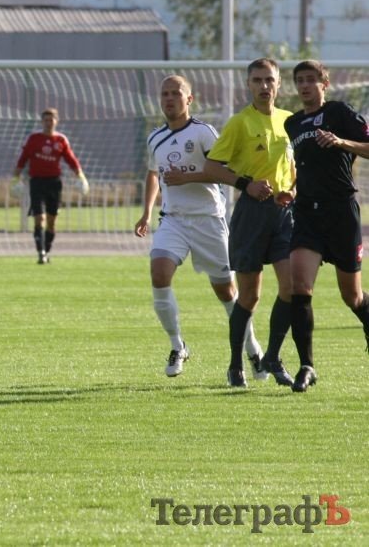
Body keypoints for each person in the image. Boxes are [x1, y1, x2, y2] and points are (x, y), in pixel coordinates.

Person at [165, 58, 295, 389]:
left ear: (279, 84)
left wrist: (293, 189)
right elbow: (212, 167)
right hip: (251, 214)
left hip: (283, 215)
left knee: (292, 288)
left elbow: (295, 166)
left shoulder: (289, 122)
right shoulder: (239, 123)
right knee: (249, 295)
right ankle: (237, 364)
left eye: (269, 80)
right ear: (248, 86)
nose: (264, 86)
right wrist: (245, 184)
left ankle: (274, 357)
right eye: (257, 80)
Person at [135, 76, 262, 378]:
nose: (169, 99)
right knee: (159, 272)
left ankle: (253, 349)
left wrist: (189, 176)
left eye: (175, 93)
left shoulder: (203, 133)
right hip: (174, 219)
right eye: (164, 94)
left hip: (208, 220)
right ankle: (178, 346)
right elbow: (154, 174)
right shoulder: (155, 138)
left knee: (226, 292)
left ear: (189, 99)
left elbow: (224, 173)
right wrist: (146, 212)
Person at [283, 60, 369, 391]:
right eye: (300, 80)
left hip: (341, 213)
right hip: (307, 214)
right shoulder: (292, 123)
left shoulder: (339, 112)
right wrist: (289, 190)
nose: (305, 86)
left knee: (352, 296)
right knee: (299, 289)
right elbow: (302, 168)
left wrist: (341, 142)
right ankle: (306, 366)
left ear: (325, 83)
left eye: (311, 80)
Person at [13, 108, 89, 264]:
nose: (49, 123)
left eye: (51, 120)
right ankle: (40, 252)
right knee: (39, 218)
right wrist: (15, 177)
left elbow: (71, 159)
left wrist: (80, 175)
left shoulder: (61, 140)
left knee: (51, 220)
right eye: (46, 120)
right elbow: (23, 158)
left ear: (56, 121)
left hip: (54, 183)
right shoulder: (34, 139)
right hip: (37, 182)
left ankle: (46, 250)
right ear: (42, 122)